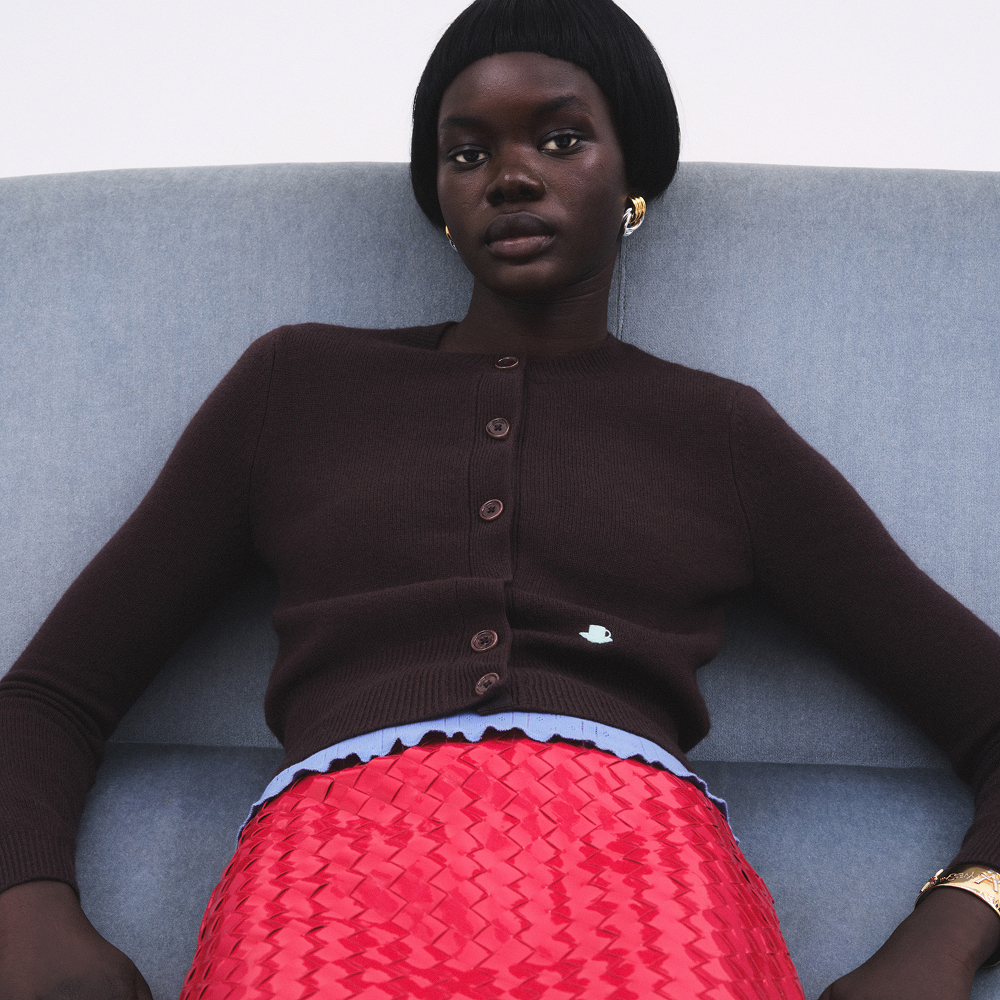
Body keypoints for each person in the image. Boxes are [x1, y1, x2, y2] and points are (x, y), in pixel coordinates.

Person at [2, 0, 1000, 997]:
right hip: (330, 890)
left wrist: (939, 944)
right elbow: (51, 694)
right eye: (467, 154)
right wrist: (30, 909)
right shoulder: (293, 387)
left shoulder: (719, 432)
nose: (511, 176)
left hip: (647, 893)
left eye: (560, 139)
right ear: (438, 198)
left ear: (633, 179)